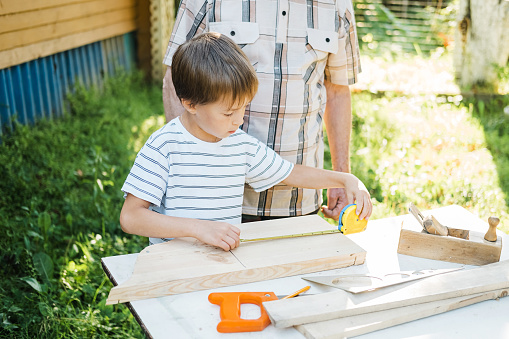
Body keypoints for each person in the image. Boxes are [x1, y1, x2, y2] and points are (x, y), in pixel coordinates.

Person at [120, 33, 371, 251]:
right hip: (173, 268)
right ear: (189, 104)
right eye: (228, 113)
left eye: (243, 109)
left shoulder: (239, 144)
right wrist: (198, 229)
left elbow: (290, 173)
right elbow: (131, 217)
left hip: (221, 265)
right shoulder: (164, 145)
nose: (238, 121)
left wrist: (345, 179)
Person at [162, 0, 362, 222]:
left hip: (299, 198)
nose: (236, 120)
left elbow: (336, 90)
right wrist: (192, 169)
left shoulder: (337, 5)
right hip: (219, 195)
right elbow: (176, 79)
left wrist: (342, 176)